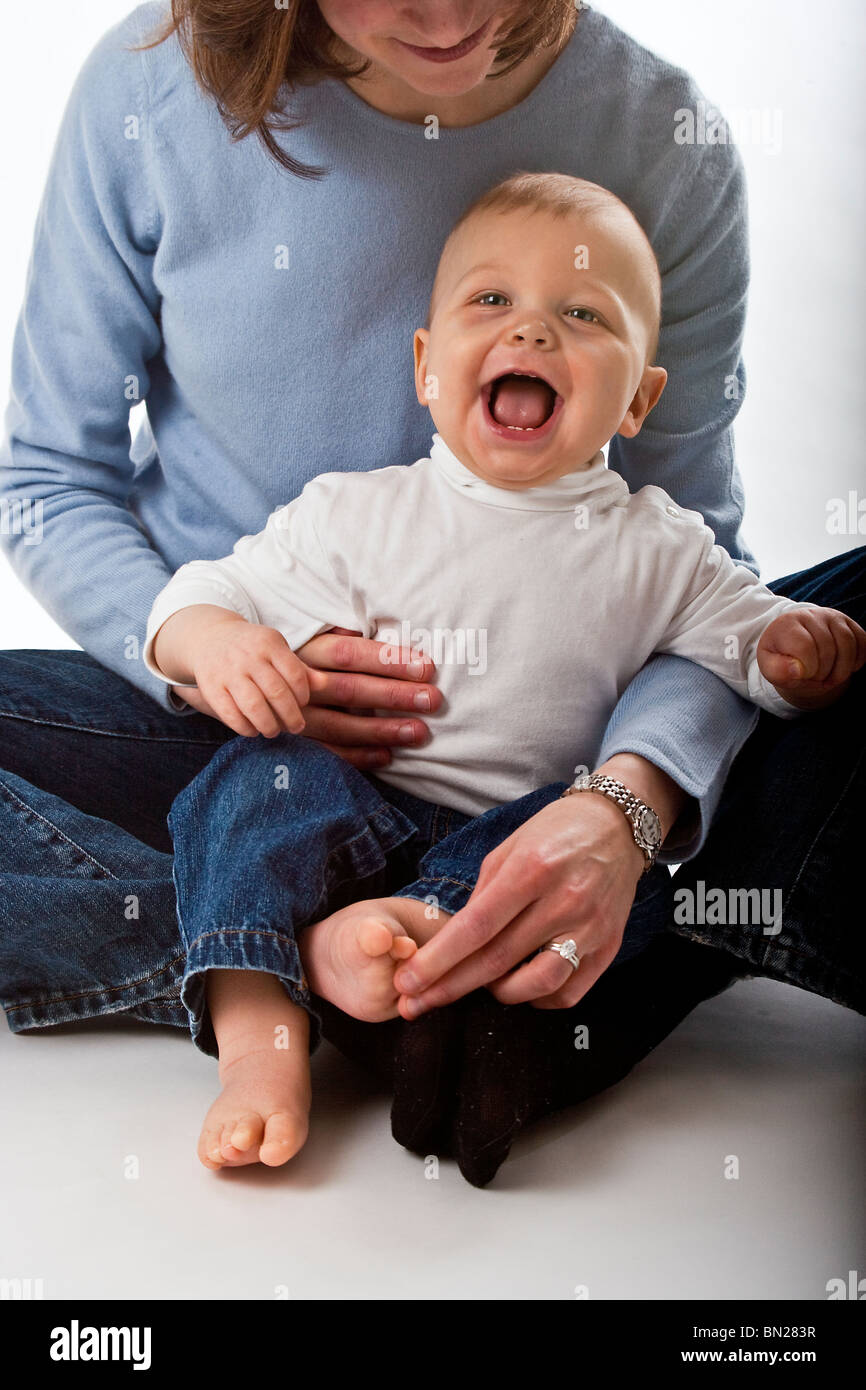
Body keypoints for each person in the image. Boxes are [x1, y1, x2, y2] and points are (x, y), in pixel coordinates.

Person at [0, 1, 862, 1188]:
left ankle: (430, 950)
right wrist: (212, 655)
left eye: (576, 316)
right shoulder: (151, 90)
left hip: (540, 778)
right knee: (257, 798)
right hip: (220, 728)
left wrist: (626, 807)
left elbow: (706, 590)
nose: (449, 15)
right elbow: (49, 478)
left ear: (634, 392)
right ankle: (284, 964)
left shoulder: (659, 135)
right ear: (425, 361)